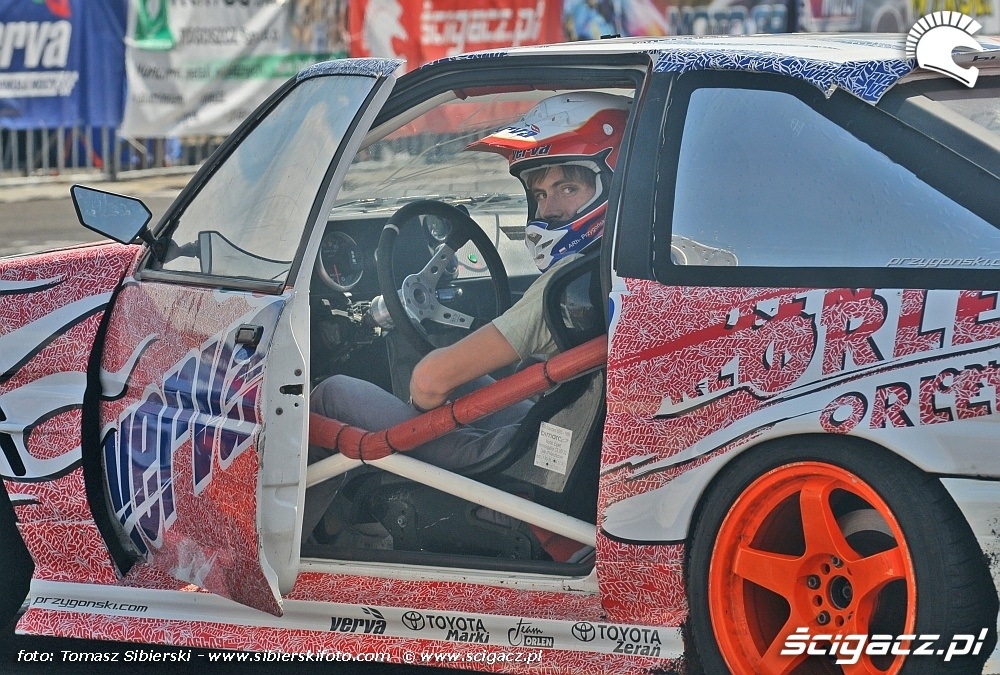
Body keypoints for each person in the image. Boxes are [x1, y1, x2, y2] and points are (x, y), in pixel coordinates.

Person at [305, 91, 631, 552]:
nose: (549, 210)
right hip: (566, 444)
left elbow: (430, 381)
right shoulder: (621, 269)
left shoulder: (564, 287)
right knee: (464, 384)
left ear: (614, 183)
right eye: (541, 193)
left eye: (568, 189)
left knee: (334, 395)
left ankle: (307, 539)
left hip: (528, 464)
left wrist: (423, 405)